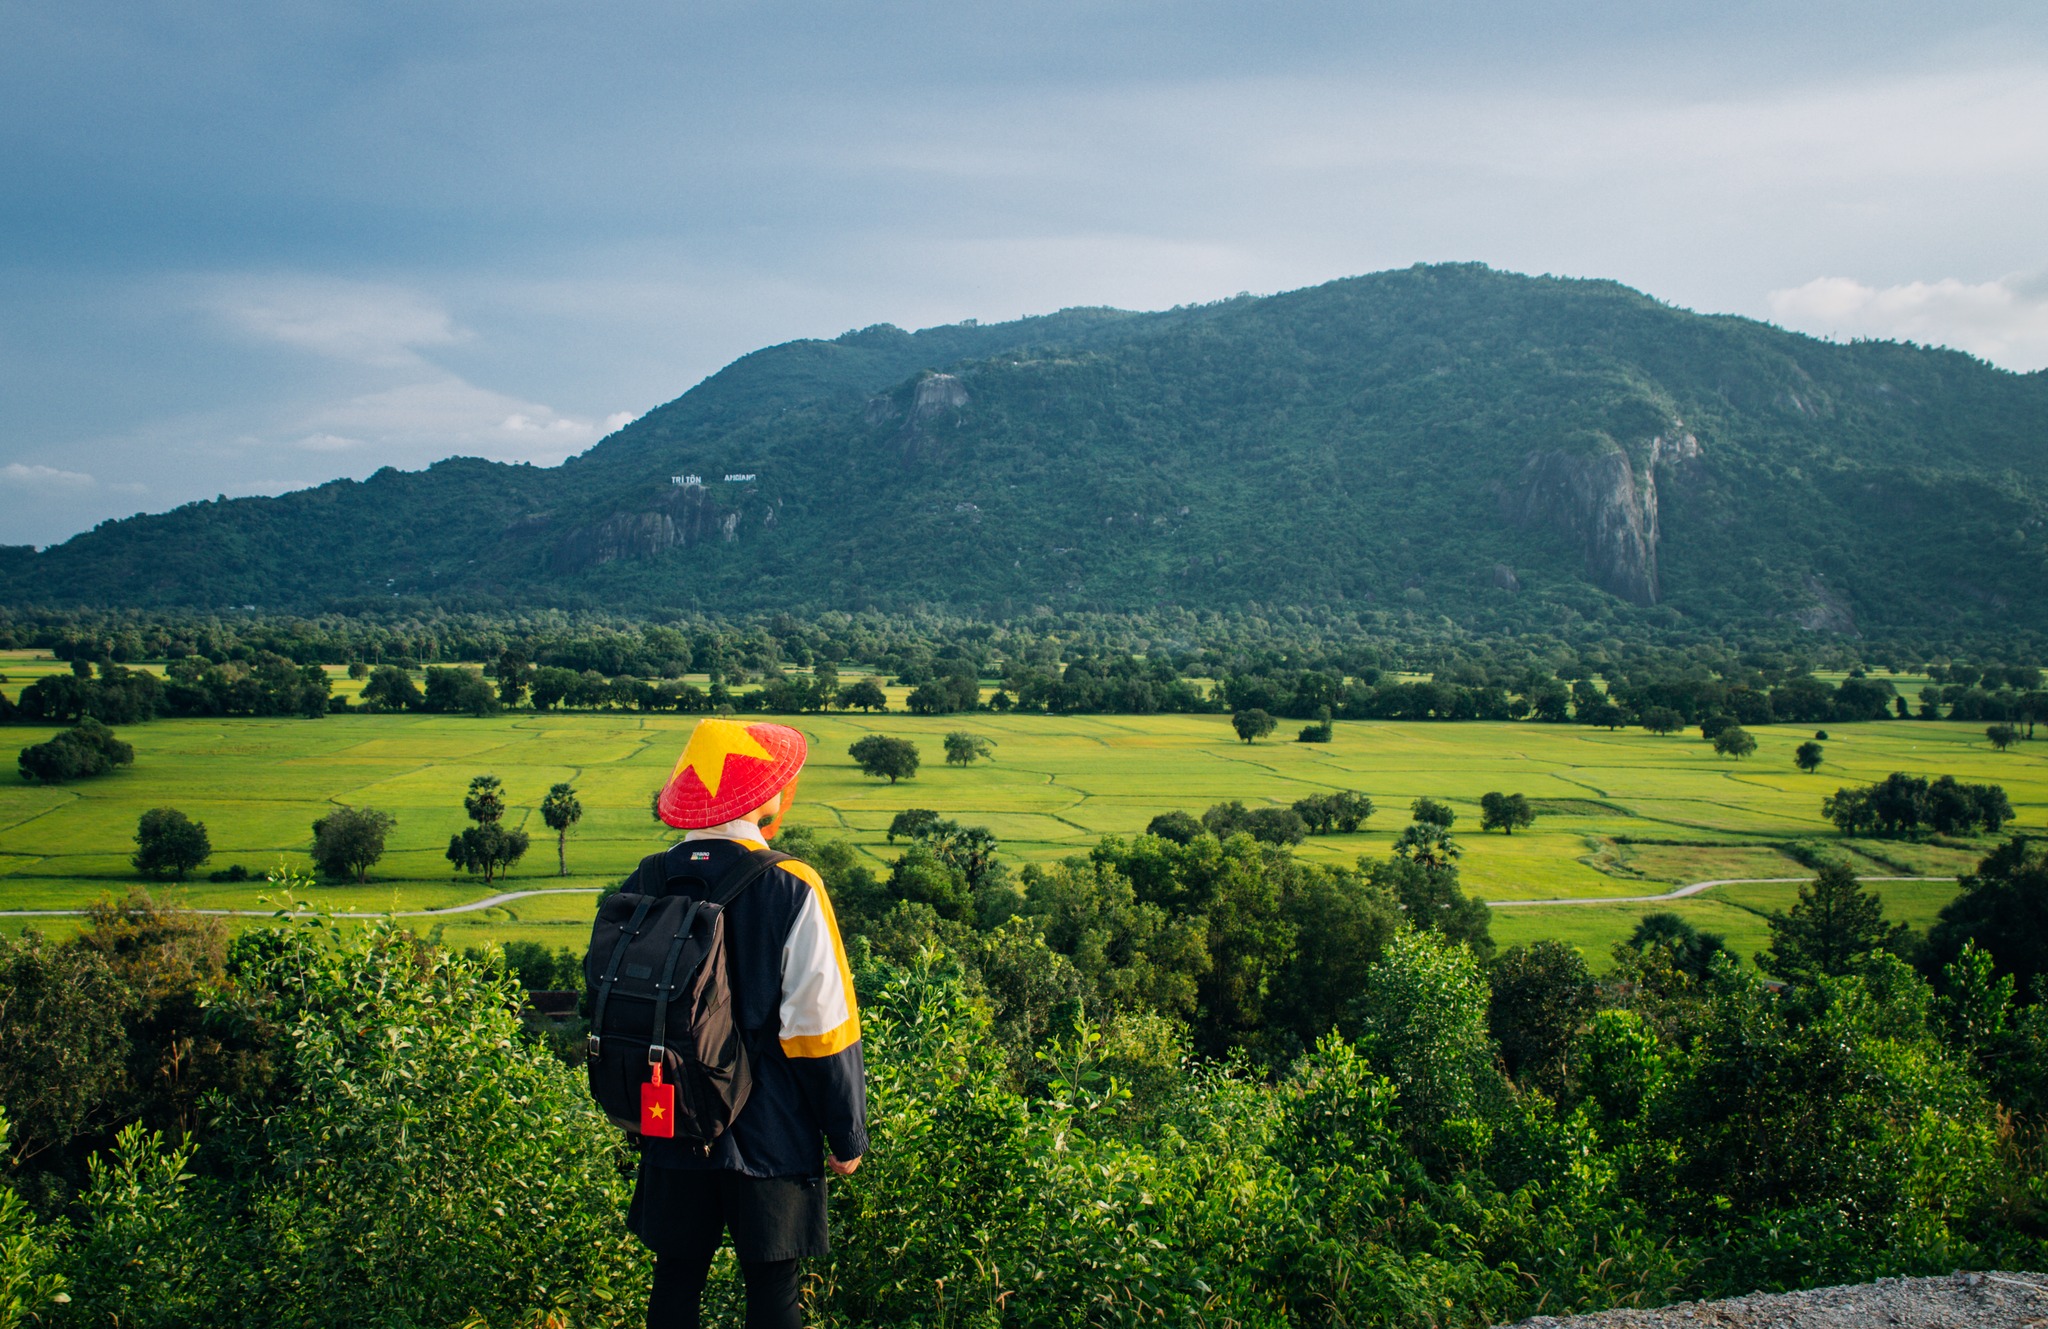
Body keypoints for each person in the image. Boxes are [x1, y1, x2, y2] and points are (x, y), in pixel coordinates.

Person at [624, 717, 866, 1329]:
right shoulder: (792, 886)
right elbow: (820, 1030)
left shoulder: (645, 880)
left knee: (675, 1278)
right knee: (774, 1285)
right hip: (770, 1128)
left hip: (669, 1117)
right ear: (764, 799)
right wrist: (847, 1136)